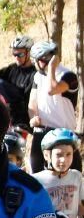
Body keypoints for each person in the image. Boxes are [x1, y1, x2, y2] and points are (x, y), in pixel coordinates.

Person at [28, 41, 80, 173]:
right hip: (42, 131)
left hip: (63, 133)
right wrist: (33, 117)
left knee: (73, 176)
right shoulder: (38, 76)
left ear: (43, 60)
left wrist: (51, 67)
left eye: (36, 60)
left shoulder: (68, 76)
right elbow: (32, 102)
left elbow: (52, 89)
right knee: (37, 175)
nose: (34, 63)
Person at [33, 128, 84, 218]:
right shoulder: (36, 180)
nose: (63, 160)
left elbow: (79, 206)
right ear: (47, 155)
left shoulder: (76, 176)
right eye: (59, 155)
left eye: (68, 154)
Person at [0, 36, 36, 128]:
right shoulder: (12, 68)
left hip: (23, 120)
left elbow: (26, 99)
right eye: (14, 54)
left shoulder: (34, 74)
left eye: (20, 55)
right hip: (7, 117)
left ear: (29, 53)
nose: (16, 58)